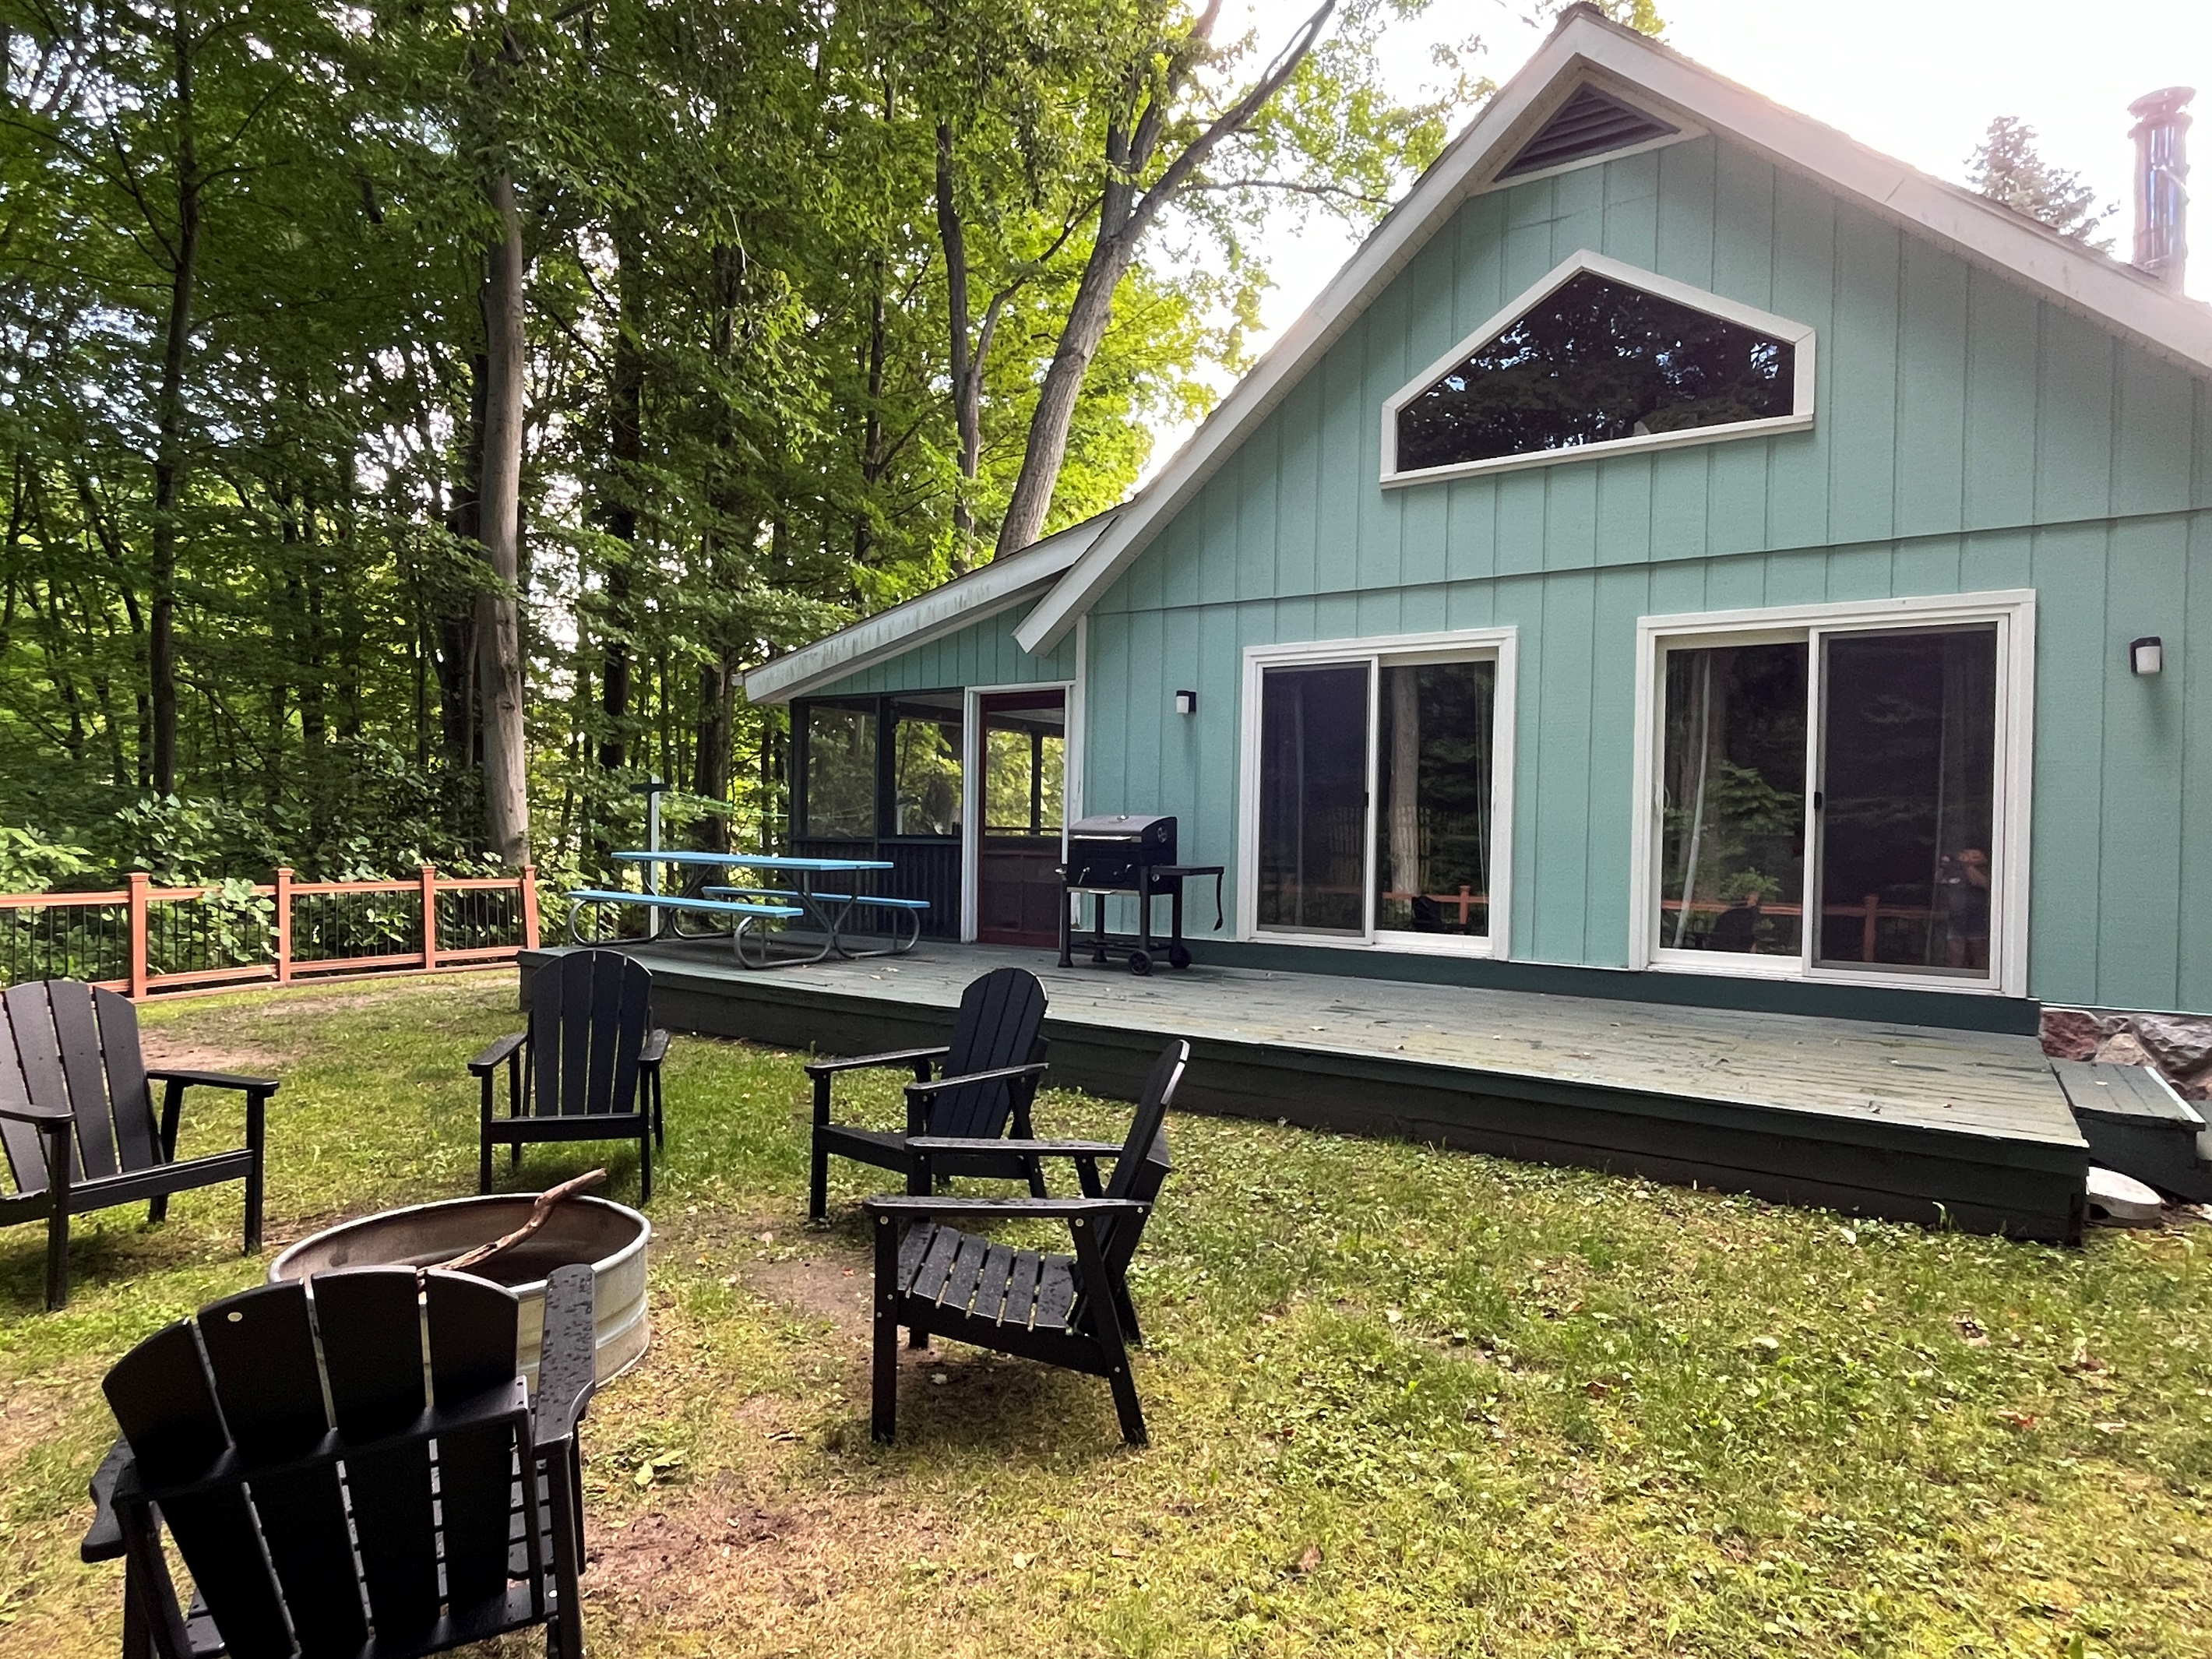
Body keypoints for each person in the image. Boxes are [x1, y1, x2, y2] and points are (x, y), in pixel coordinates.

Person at [1939, 847, 1991, 970]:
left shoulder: (1981, 871)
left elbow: (1985, 884)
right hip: (1956, 920)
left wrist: (1969, 867)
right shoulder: (1955, 871)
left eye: (1975, 857)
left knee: (1979, 957)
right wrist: (1944, 865)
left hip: (1976, 920)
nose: (1968, 858)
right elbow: (1938, 881)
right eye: (1967, 855)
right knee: (1956, 958)